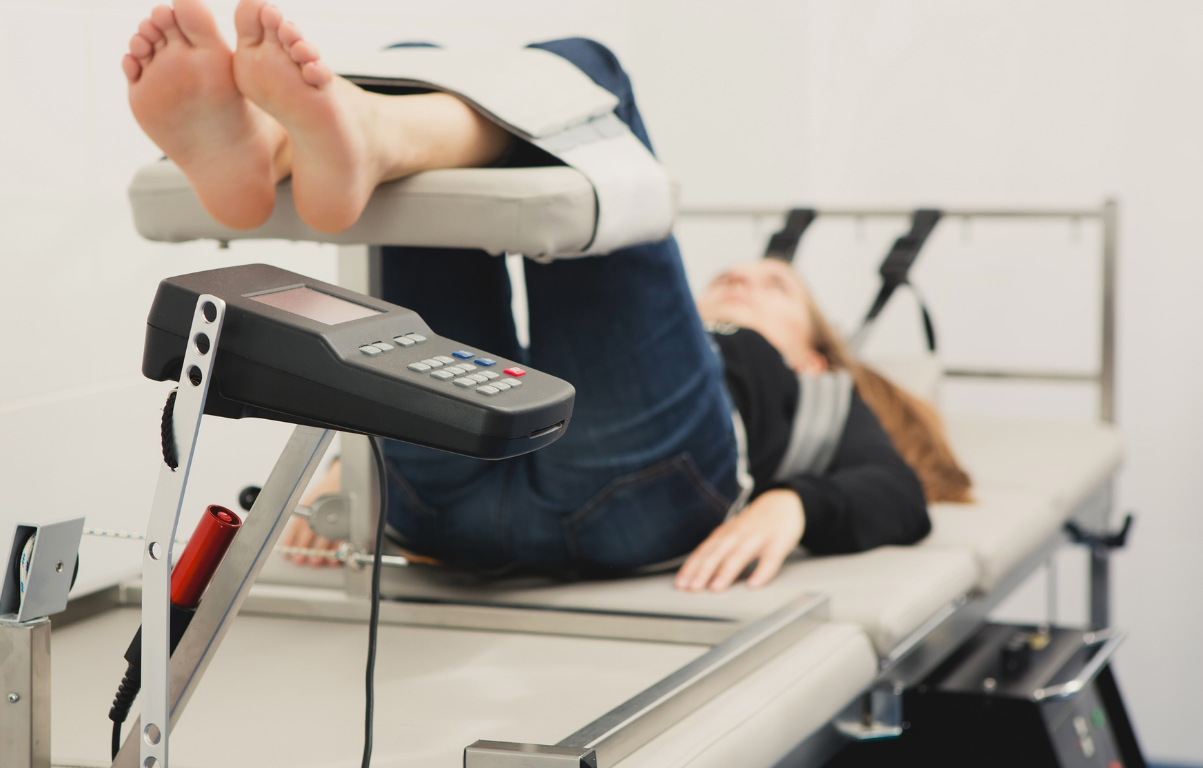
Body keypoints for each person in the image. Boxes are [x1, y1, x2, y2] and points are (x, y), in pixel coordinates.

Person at [123, 0, 970, 592]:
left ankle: (301, 147)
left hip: (625, 496)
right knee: (429, 70)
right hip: (444, 483)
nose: (744, 279)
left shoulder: (809, 389)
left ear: (809, 351)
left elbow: (899, 492)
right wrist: (342, 483)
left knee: (585, 72)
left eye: (776, 289)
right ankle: (325, 142)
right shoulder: (684, 337)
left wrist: (793, 505)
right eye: (731, 278)